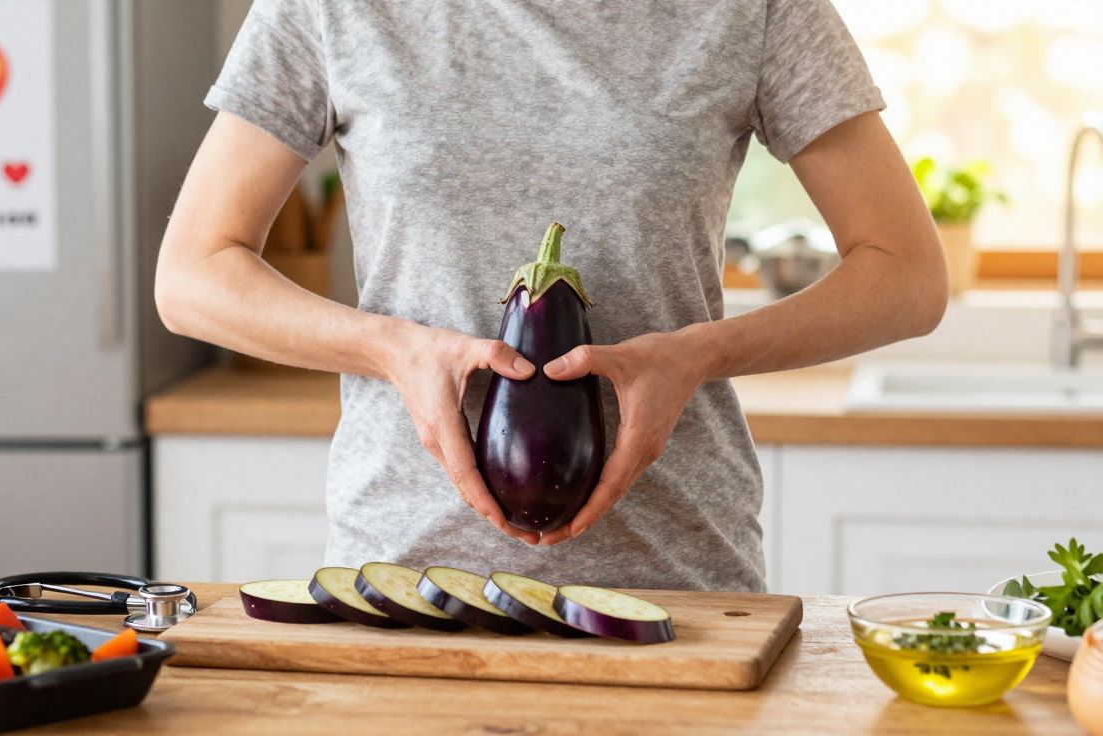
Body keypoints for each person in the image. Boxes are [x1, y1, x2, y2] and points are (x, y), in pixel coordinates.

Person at [154, 0, 947, 592]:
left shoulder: (753, 9)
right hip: (404, 579)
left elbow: (906, 274)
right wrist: (393, 348)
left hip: (674, 581)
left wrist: (698, 352)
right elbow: (194, 275)